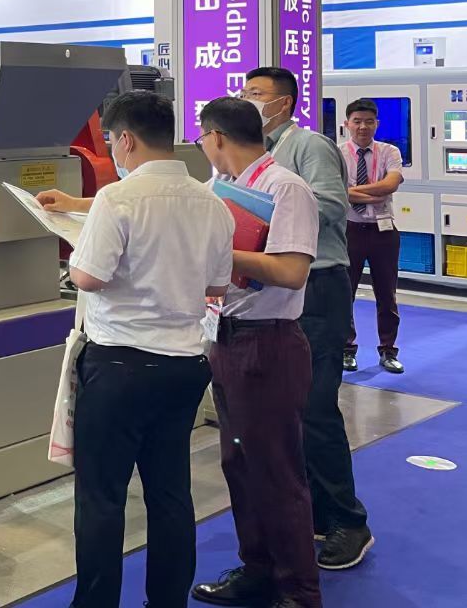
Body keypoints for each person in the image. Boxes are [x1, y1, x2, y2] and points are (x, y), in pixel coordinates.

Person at [36, 92, 234, 608]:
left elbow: (87, 276)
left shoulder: (117, 200)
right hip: (184, 365)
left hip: (120, 365)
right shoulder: (212, 203)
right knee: (170, 494)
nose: (112, 151)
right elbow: (217, 286)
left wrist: (77, 247)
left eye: (110, 142)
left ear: (125, 139)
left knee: (102, 498)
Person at [190, 97, 321, 608]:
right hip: (225, 337)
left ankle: (299, 591)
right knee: (240, 463)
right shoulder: (220, 187)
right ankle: (259, 569)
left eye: (202, 138)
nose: (203, 146)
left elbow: (291, 271)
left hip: (268, 343)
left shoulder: (285, 187)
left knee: (276, 470)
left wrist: (221, 253)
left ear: (216, 137)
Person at [241, 67, 373, 568]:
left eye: (257, 94)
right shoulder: (254, 152)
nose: (248, 100)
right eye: (244, 92)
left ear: (284, 102)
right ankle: (313, 511)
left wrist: (262, 206)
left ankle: (348, 522)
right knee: (287, 410)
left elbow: (332, 207)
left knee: (316, 407)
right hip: (274, 286)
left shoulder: (307, 146)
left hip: (318, 284)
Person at [341, 98, 405, 374]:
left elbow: (391, 184)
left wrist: (354, 192)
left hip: (384, 232)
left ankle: (388, 351)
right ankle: (346, 350)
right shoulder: (337, 153)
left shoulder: (390, 151)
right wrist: (374, 192)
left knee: (387, 294)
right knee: (345, 293)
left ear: (377, 124)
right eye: (357, 121)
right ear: (347, 124)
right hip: (349, 230)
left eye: (369, 121)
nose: (363, 127)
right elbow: (337, 192)